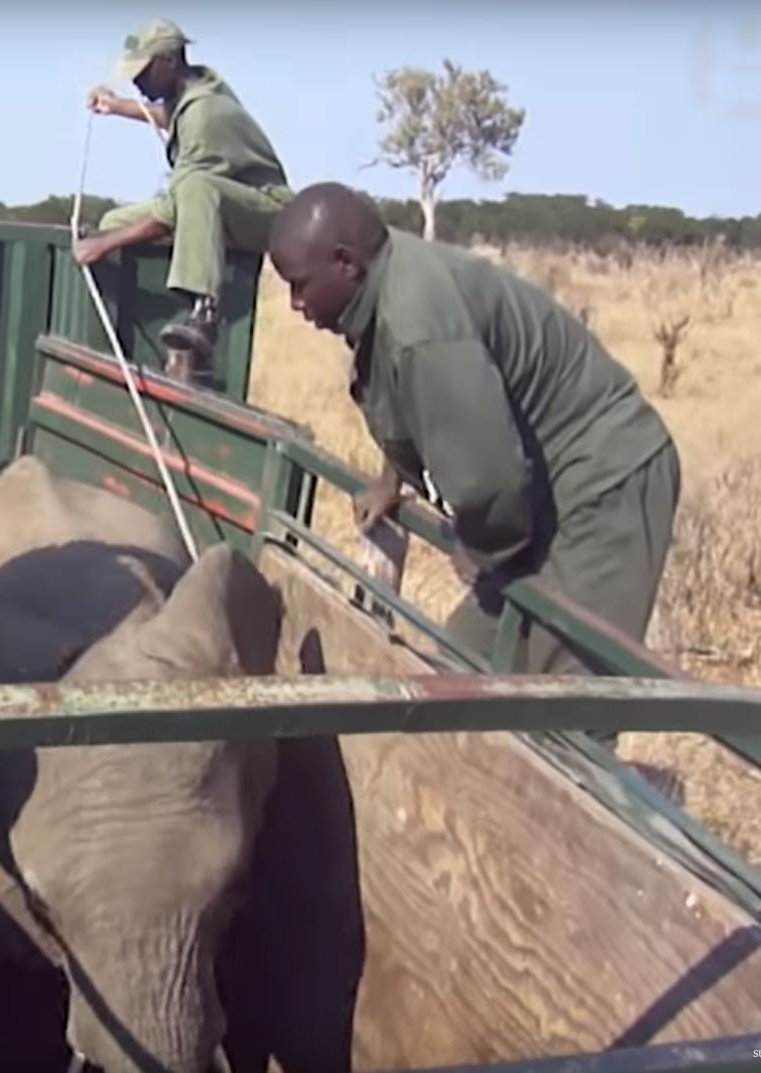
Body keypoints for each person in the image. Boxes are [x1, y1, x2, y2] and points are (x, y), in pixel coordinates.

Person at [266, 182, 680, 741]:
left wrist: (484, 547)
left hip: (602, 481)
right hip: (536, 491)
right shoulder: (385, 288)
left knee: (572, 706)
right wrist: (393, 479)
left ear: (345, 263)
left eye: (299, 286)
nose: (295, 306)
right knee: (458, 671)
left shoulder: (417, 322)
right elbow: (403, 399)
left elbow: (490, 475)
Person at [74, 20, 293, 374]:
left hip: (266, 212)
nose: (136, 81)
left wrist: (103, 246)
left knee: (193, 187)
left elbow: (170, 212)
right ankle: (132, 332)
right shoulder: (194, 90)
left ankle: (204, 313)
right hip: (219, 205)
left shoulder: (205, 115)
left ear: (170, 61)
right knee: (114, 223)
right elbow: (171, 116)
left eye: (143, 72)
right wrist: (117, 106)